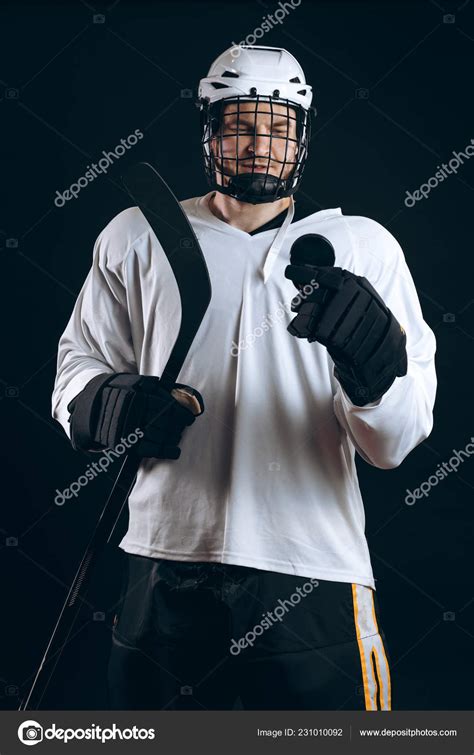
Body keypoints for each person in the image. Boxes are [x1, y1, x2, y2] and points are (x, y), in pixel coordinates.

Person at [51, 45, 437, 711]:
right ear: (209, 130)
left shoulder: (363, 249)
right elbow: (74, 371)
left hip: (311, 573)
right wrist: (110, 403)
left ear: (302, 138)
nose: (261, 144)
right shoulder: (138, 234)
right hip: (163, 565)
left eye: (279, 127)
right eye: (241, 125)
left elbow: (396, 442)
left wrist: (372, 373)